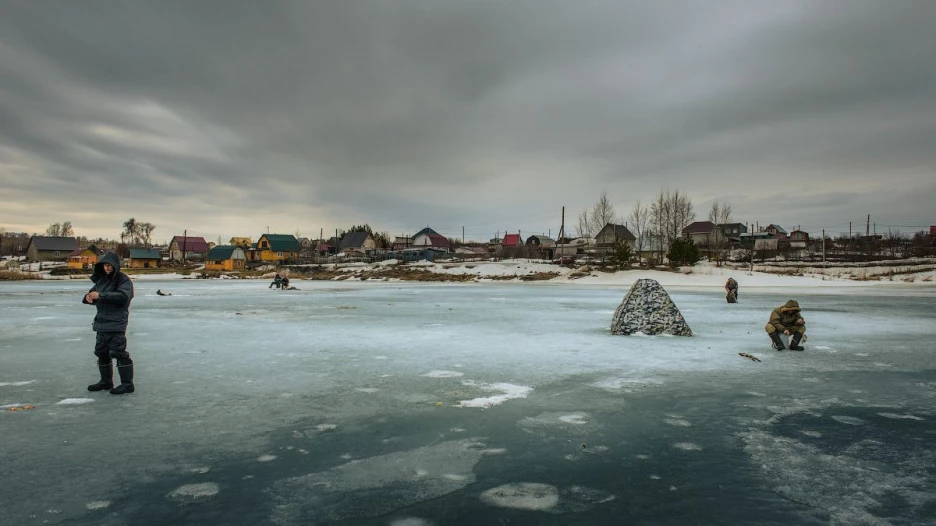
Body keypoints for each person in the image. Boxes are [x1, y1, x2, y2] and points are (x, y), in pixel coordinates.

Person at [82, 252, 136, 394]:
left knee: (119, 352)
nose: (107, 268)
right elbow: (93, 294)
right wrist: (88, 298)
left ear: (115, 265)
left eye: (109, 265)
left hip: (117, 322)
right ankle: (106, 382)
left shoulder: (123, 279)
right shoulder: (102, 280)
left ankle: (127, 384)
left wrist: (101, 295)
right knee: (101, 352)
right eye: (104, 265)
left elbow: (123, 297)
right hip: (101, 322)